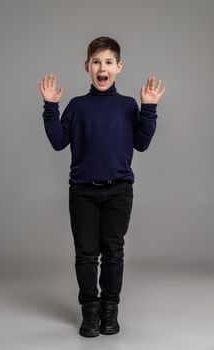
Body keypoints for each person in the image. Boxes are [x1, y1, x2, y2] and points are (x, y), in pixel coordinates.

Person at [39, 36, 166, 337]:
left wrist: (148, 109)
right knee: (85, 254)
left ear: (118, 67)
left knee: (113, 253)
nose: (102, 67)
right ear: (87, 66)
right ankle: (90, 312)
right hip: (83, 191)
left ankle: (110, 310)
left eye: (108, 62)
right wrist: (50, 106)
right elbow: (58, 142)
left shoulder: (127, 105)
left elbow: (142, 143)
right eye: (96, 61)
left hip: (119, 191)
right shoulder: (77, 106)